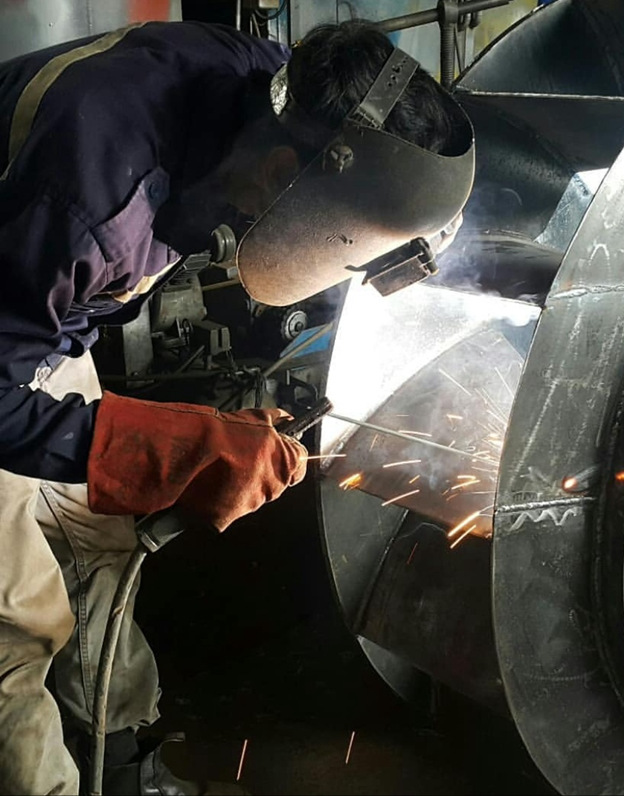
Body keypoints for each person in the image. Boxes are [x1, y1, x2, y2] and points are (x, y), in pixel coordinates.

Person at [0, 16, 474, 796]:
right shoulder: (93, 202)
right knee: (19, 621)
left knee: (99, 540)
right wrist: (161, 446)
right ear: (280, 172)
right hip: (8, 338)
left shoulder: (285, 89)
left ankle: (123, 758)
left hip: (31, 316)